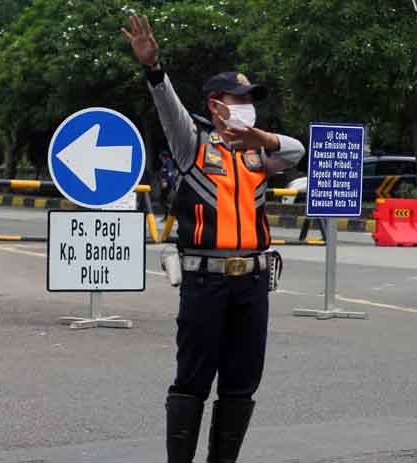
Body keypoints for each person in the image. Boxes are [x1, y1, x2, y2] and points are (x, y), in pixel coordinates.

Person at [122, 15, 305, 463]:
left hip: (253, 282)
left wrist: (260, 136)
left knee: (242, 382)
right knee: (193, 381)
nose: (246, 105)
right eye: (237, 98)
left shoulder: (259, 153)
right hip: (206, 282)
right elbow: (168, 108)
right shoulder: (194, 144)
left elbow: (298, 151)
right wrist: (153, 69)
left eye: (250, 99)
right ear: (215, 103)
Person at [159, 150, 175, 221]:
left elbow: (170, 173)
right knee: (163, 200)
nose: (161, 160)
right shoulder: (165, 163)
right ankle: (167, 216)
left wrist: (165, 181)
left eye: (161, 158)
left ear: (164, 157)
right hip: (165, 184)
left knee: (165, 200)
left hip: (168, 184)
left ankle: (168, 216)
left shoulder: (169, 162)